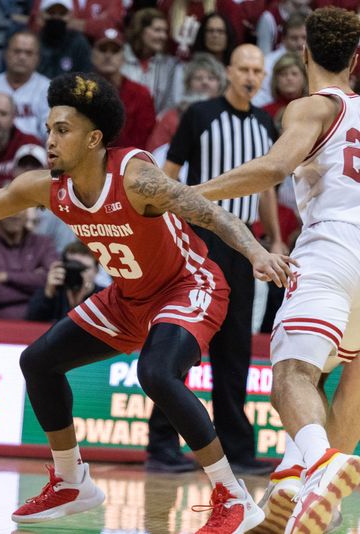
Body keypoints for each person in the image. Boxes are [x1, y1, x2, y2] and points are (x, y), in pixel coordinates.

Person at [0, 70, 294, 530]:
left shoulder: (137, 177)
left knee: (157, 372)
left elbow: (214, 214)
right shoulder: (46, 188)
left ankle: (232, 495)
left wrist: (258, 251)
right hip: (128, 297)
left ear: (94, 139)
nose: (51, 140)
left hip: (189, 286)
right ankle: (71, 480)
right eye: (48, 129)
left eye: (62, 130)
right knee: (39, 361)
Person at [191, 7, 360, 532]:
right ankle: (295, 482)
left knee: (290, 373)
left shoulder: (313, 106)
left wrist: (189, 194)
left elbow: (272, 168)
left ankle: (321, 465)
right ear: (357, 60)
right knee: (350, 371)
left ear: (305, 54)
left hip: (334, 245)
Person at [150, 44, 284, 476]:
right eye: (244, 68)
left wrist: (275, 239)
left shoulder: (266, 123)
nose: (251, 76)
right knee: (185, 342)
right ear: (228, 70)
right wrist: (169, 233)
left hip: (244, 244)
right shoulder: (200, 115)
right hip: (200, 239)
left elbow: (266, 190)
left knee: (235, 350)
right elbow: (168, 177)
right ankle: (163, 444)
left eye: (257, 70)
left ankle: (238, 451)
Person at [89, 28, 155, 149]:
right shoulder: (79, 92)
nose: (108, 56)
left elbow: (142, 141)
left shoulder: (140, 94)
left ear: (123, 58)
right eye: (103, 50)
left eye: (115, 51)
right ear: (92, 55)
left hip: (127, 162)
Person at [26, 240, 103, 322]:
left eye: (83, 268)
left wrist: (78, 306)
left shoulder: (104, 297)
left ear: (96, 270)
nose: (78, 274)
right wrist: (48, 295)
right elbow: (32, 324)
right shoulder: (53, 292)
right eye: (73, 267)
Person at [36, 0, 92, 79]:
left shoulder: (78, 43)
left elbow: (85, 75)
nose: (56, 17)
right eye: (51, 13)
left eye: (62, 13)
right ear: (41, 15)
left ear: (70, 16)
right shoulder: (33, 42)